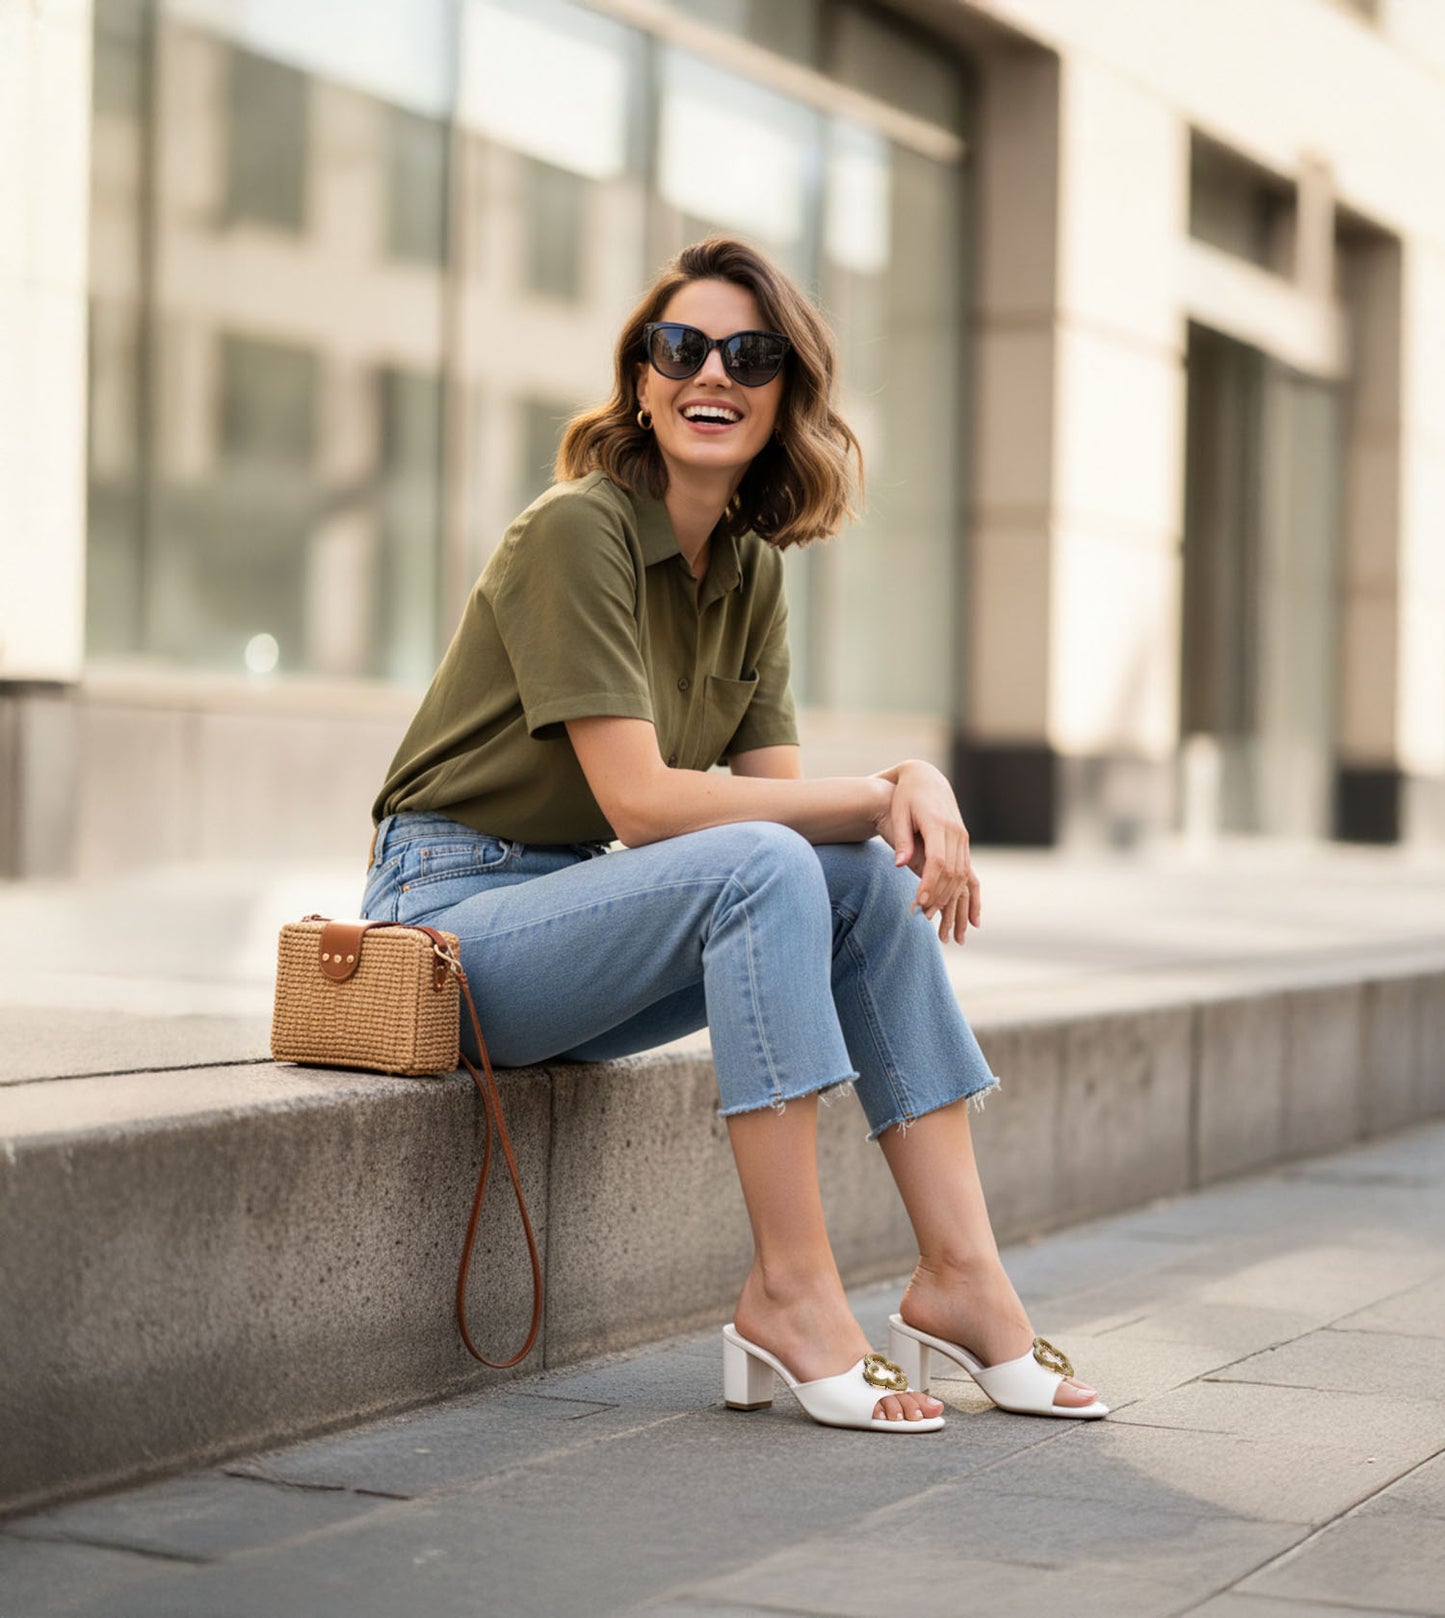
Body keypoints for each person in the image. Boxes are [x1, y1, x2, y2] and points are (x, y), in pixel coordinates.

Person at [361, 236, 1105, 1432]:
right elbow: (645, 806)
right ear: (642, 380)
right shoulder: (575, 528)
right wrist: (885, 786)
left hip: (579, 915)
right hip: (446, 929)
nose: (714, 372)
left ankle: (963, 1279)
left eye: (749, 354)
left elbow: (796, 832)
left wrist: (898, 784)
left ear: (785, 395)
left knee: (851, 875)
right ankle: (791, 1293)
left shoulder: (750, 569)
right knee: (787, 854)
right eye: (682, 347)